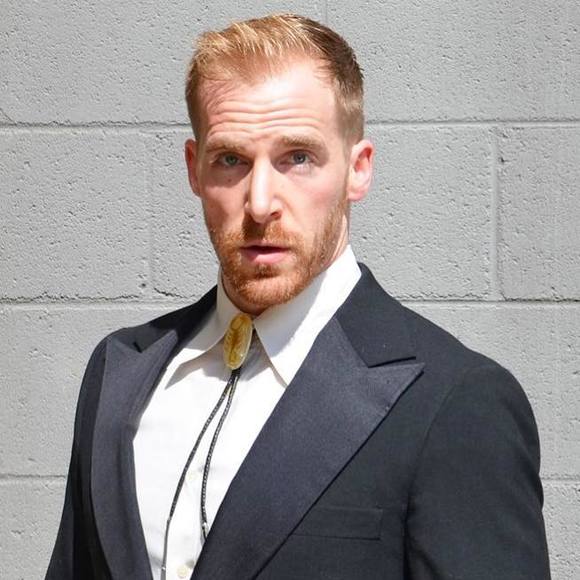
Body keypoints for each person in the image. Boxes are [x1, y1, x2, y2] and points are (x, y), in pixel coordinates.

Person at [46, 14, 551, 580]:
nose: (260, 203)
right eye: (231, 160)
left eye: (298, 158)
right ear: (194, 169)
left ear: (358, 170)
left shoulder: (456, 401)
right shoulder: (120, 371)